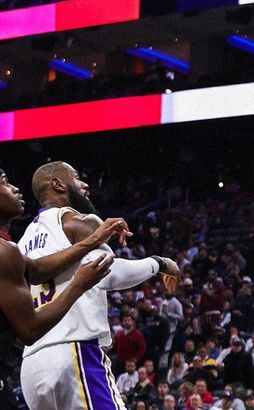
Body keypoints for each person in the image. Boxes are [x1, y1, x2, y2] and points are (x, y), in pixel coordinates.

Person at [17, 161, 181, 410]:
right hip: (72, 350)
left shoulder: (21, 244)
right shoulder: (77, 220)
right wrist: (159, 263)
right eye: (76, 177)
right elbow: (109, 274)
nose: (84, 184)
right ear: (58, 185)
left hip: (31, 367)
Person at [0, 167, 129, 408]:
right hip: (66, 349)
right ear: (58, 184)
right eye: (5, 183)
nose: (15, 188)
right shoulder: (5, 251)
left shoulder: (16, 246)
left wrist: (93, 238)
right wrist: (77, 285)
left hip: (29, 370)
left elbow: (37, 270)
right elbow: (29, 330)